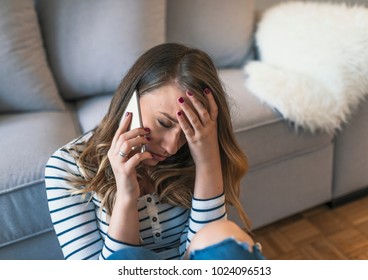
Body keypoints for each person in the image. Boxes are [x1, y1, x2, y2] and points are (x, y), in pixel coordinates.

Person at [45, 43, 265, 260]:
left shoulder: (193, 149)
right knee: (128, 258)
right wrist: (126, 196)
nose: (171, 147)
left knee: (222, 234)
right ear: (131, 99)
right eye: (164, 122)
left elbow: (203, 247)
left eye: (188, 129)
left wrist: (207, 160)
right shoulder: (65, 166)